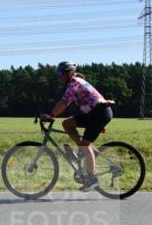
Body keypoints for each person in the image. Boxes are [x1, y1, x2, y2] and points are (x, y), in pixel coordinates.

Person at [40, 61, 113, 191]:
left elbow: (64, 102)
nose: (58, 76)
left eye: (60, 73)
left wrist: (51, 115)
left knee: (86, 145)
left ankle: (92, 179)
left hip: (99, 113)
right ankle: (82, 152)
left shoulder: (75, 82)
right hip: (94, 114)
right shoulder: (73, 83)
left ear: (69, 73)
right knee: (67, 124)